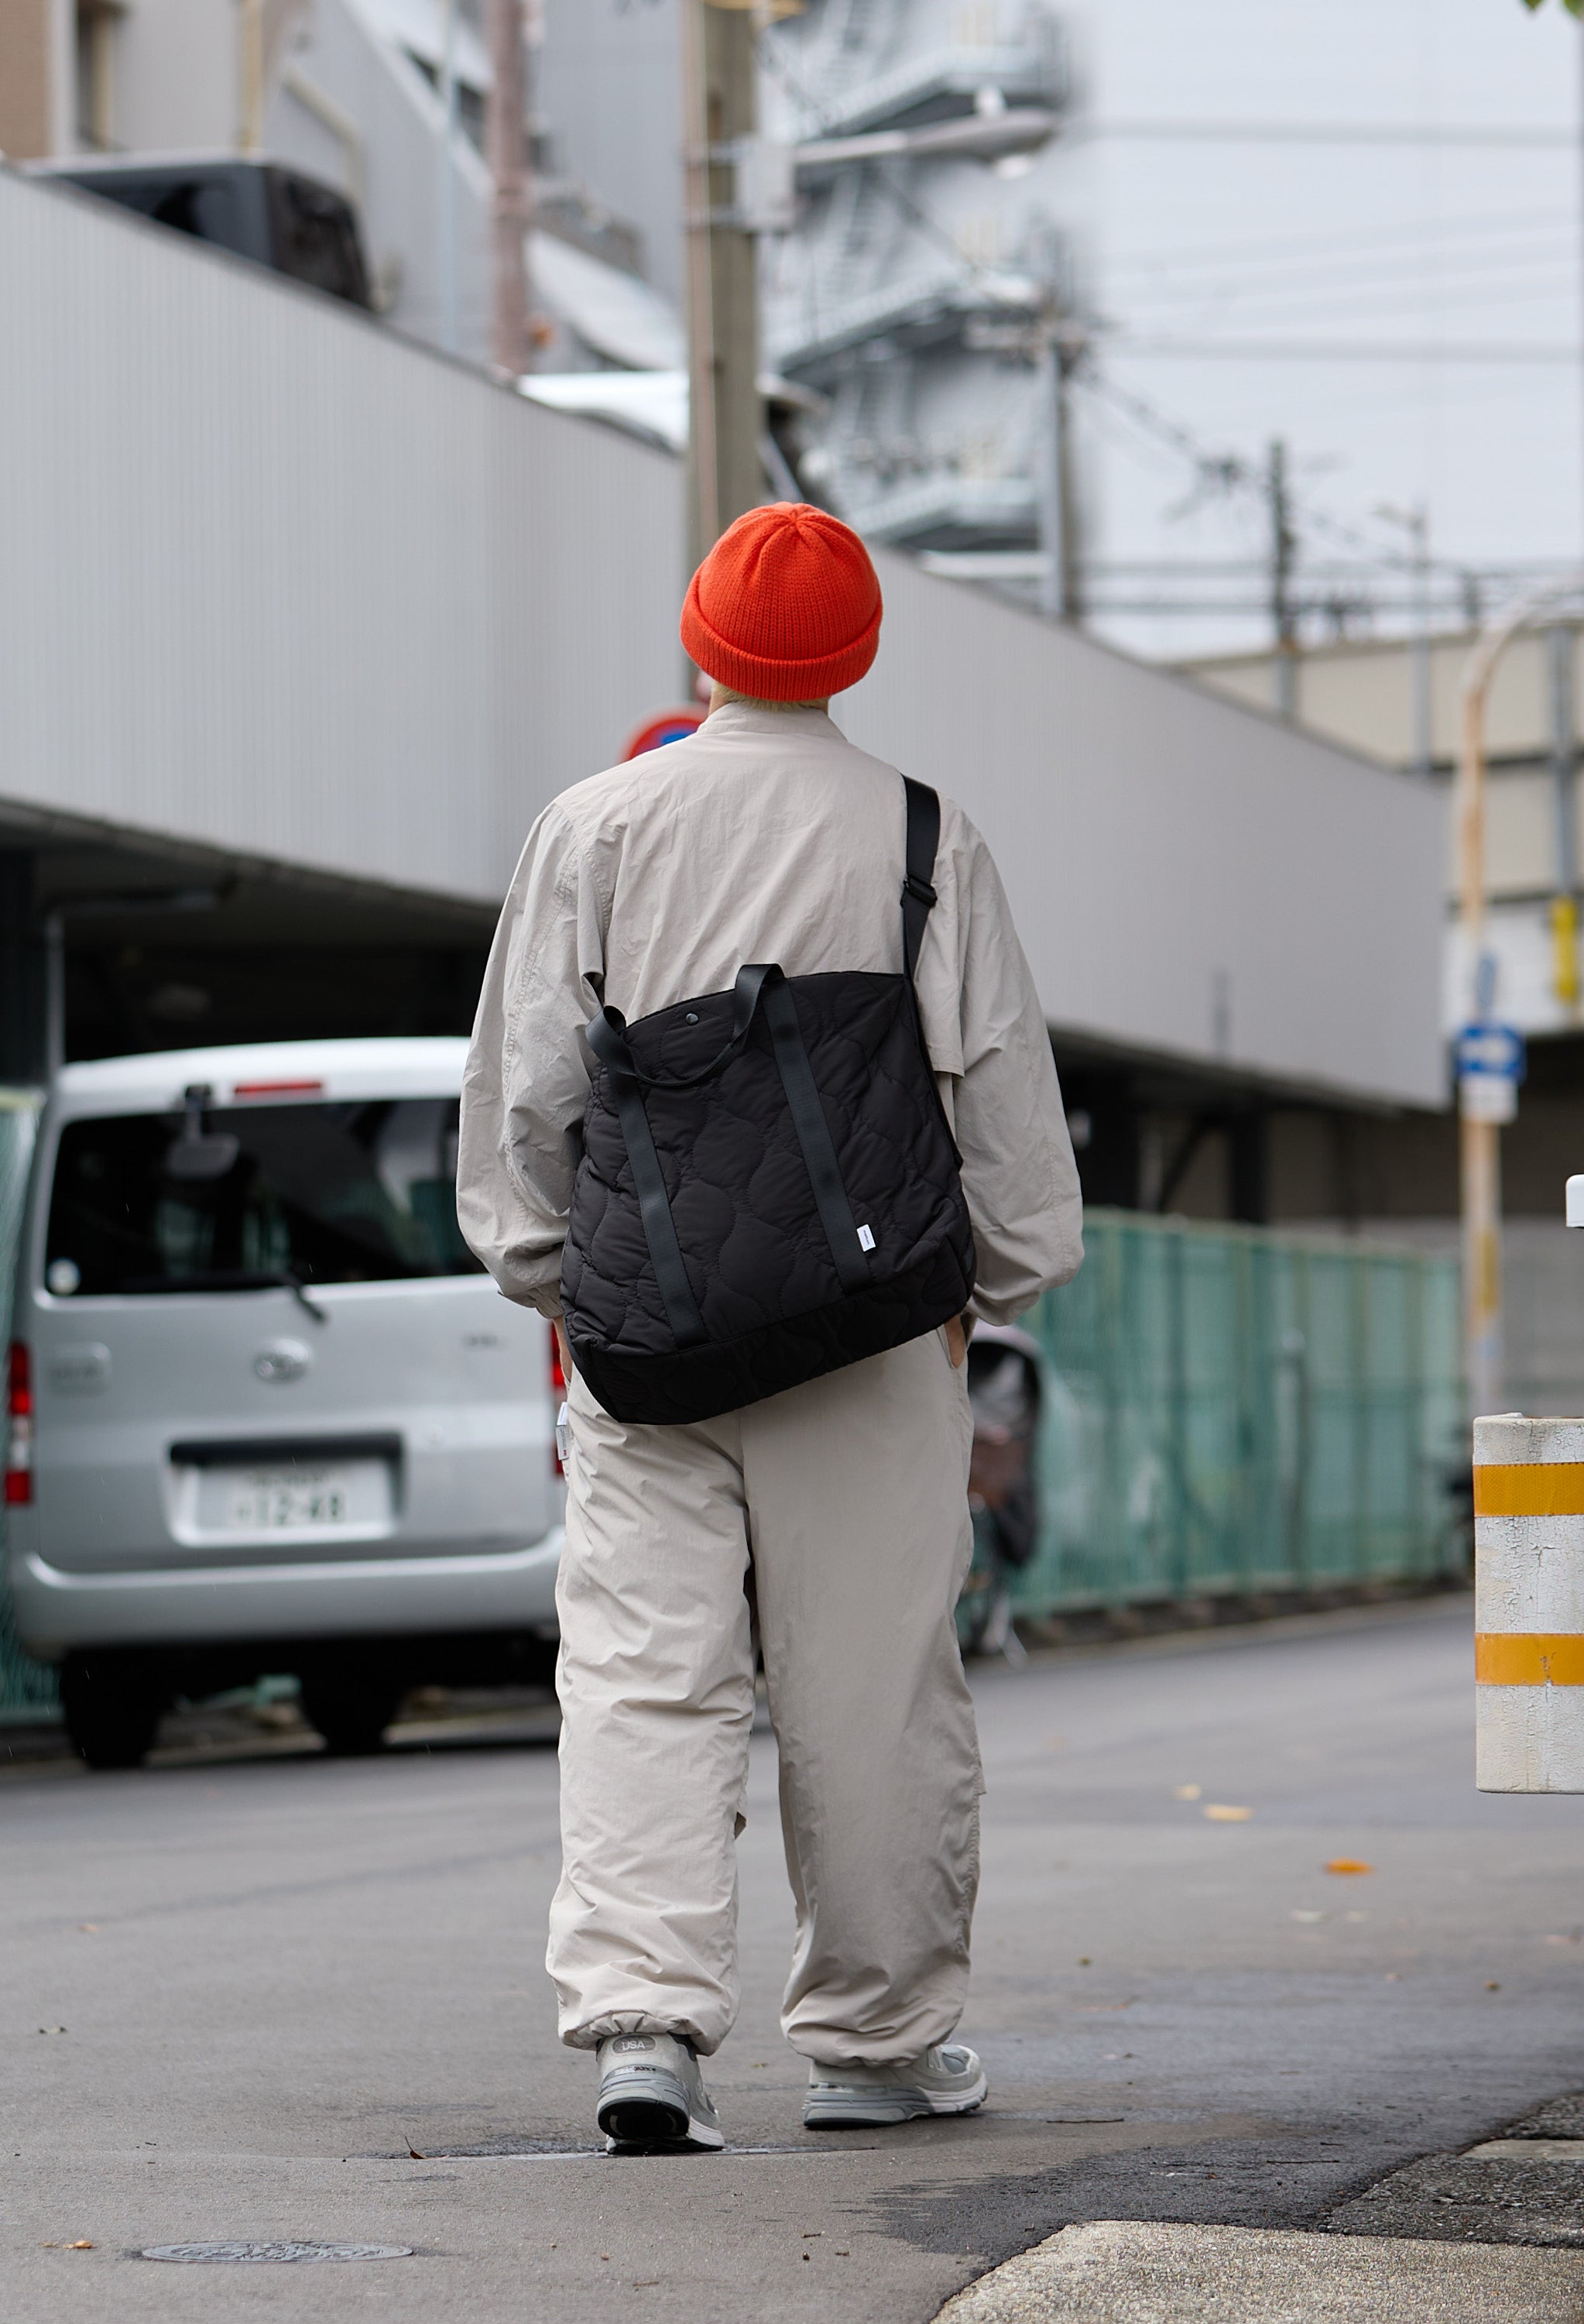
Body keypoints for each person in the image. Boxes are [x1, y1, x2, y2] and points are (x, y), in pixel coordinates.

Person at [457, 502, 1082, 2150]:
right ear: (854, 652)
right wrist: (999, 1286)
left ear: (703, 639)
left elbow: (530, 1091)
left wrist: (550, 1271)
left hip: (652, 1343)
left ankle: (646, 2033)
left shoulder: (591, 828)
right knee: (869, 1689)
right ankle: (875, 2044)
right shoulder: (925, 839)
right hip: (875, 1343)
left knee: (645, 1677)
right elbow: (1000, 1093)